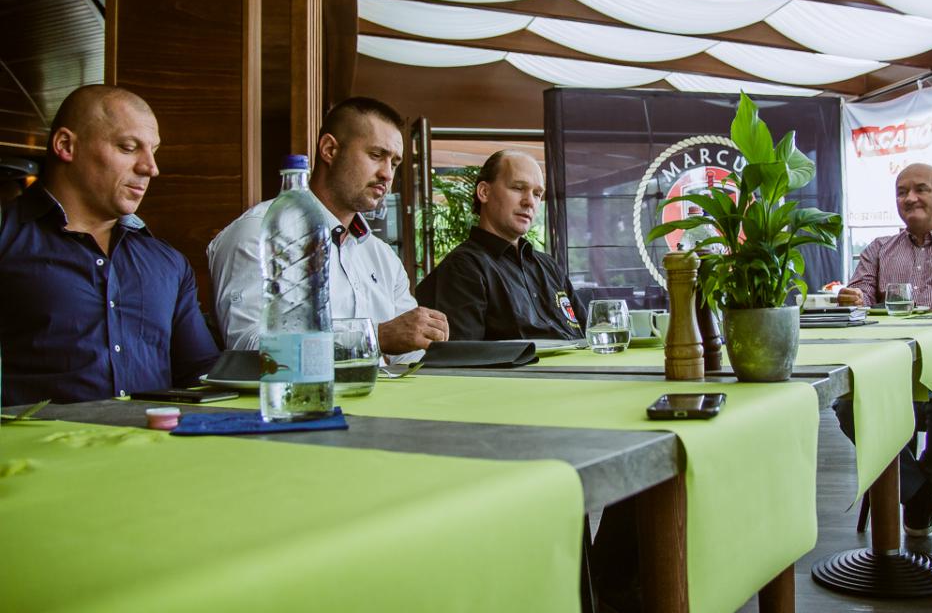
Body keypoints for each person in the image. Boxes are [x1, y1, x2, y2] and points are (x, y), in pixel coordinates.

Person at [0, 85, 219, 405]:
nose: (151, 168)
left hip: (150, 437)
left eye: (154, 151)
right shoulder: (6, 238)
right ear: (66, 145)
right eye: (128, 148)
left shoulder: (168, 263)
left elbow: (202, 376)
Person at [208, 97, 448, 357]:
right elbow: (249, 348)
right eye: (376, 155)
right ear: (329, 150)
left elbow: (411, 357)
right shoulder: (260, 233)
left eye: (395, 163)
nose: (387, 174)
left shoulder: (383, 257)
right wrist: (375, 337)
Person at [835, 162, 932, 544]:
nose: (910, 198)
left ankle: (920, 497)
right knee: (848, 404)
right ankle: (929, 500)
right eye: (902, 192)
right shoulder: (879, 249)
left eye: (921, 189)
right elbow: (860, 295)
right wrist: (852, 298)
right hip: (889, 361)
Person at [415, 150, 584, 341]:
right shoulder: (463, 268)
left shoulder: (548, 266)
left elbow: (589, 332)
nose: (530, 202)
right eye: (518, 188)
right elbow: (465, 355)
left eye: (537, 194)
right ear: (484, 192)